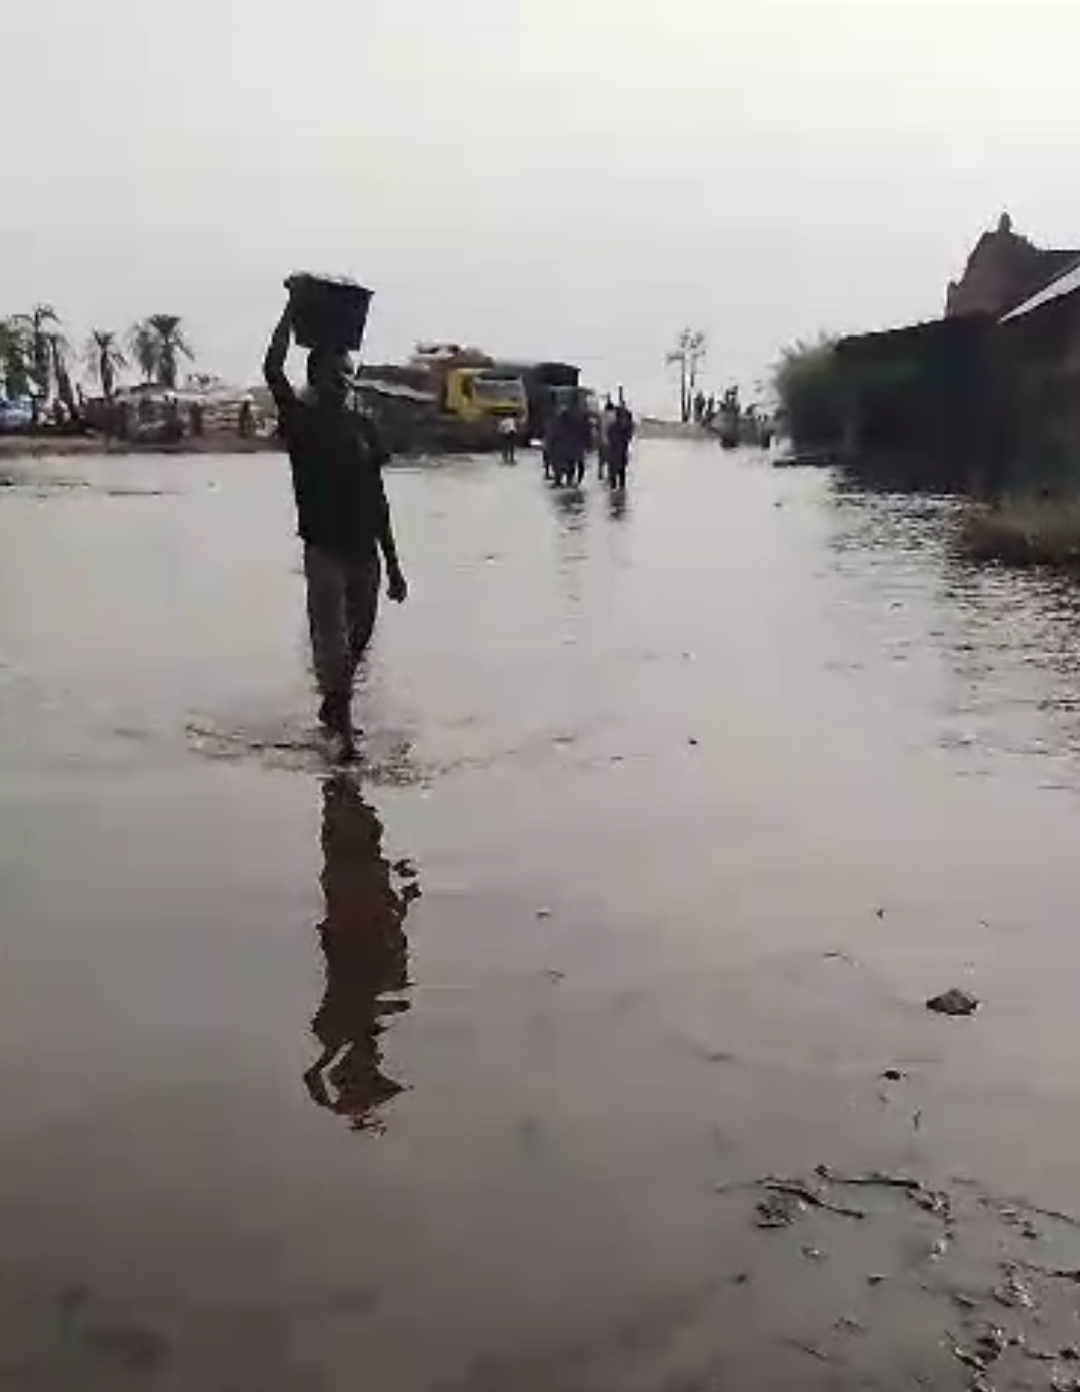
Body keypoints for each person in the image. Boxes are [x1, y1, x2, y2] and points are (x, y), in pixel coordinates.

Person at [264, 290, 408, 761]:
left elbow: (378, 496)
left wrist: (394, 563)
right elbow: (272, 369)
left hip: (365, 551)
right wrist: (290, 309)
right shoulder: (301, 420)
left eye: (347, 373)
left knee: (360, 637)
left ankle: (333, 706)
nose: (342, 380)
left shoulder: (364, 428)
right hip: (323, 548)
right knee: (332, 641)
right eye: (334, 372)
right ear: (316, 376)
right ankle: (344, 733)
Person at [608, 394, 635, 489]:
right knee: (621, 469)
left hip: (615, 450)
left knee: (614, 469)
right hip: (621, 449)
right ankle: (620, 487)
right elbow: (628, 435)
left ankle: (615, 487)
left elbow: (610, 436)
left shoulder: (614, 426)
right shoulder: (625, 427)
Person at [598, 396, 616, 479]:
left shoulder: (602, 416)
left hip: (602, 440)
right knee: (610, 460)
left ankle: (600, 473)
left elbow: (598, 427)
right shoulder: (614, 417)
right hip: (612, 442)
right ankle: (610, 474)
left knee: (602, 459)